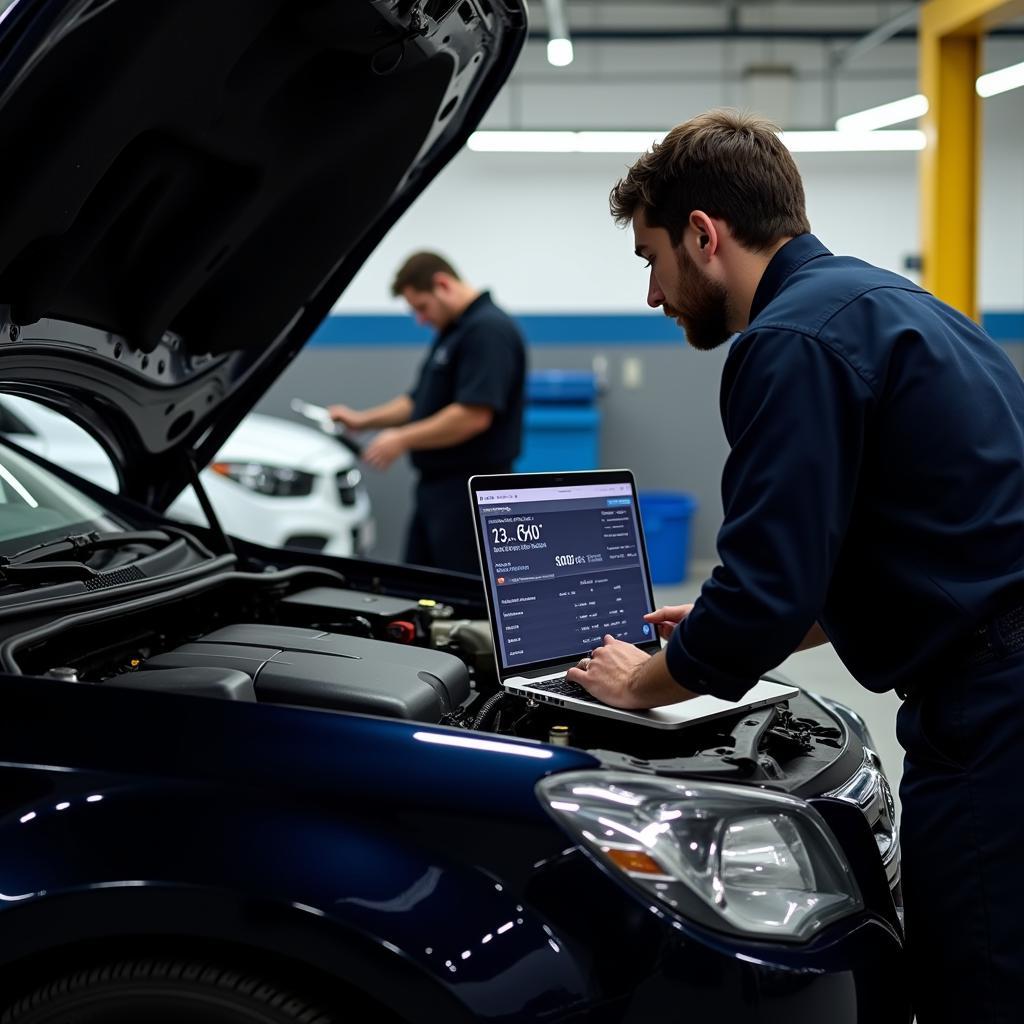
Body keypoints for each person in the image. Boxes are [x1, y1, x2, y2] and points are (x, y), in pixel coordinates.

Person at [565, 109, 1024, 1024]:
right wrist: (714, 624)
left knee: (979, 982)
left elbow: (771, 583)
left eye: (651, 258)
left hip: (995, 705)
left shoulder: (787, 342)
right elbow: (861, 550)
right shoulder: (883, 303)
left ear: (704, 235)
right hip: (1001, 672)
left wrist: (644, 683)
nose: (655, 294)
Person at [329, 252, 526, 573]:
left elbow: (473, 415)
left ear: (443, 284)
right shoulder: (453, 332)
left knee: (460, 595)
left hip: (470, 494)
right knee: (421, 587)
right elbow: (417, 402)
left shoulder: (488, 331)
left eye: (421, 307)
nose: (420, 319)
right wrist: (362, 420)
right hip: (436, 493)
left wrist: (401, 440)